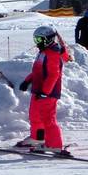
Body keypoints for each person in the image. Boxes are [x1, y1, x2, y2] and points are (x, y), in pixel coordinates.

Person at [17, 25, 71, 154]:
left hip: (48, 92)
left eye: (40, 40)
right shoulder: (43, 52)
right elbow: (38, 70)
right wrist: (27, 81)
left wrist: (45, 92)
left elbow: (53, 75)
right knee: (35, 116)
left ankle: (54, 145)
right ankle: (37, 138)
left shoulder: (52, 53)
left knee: (48, 119)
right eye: (36, 39)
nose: (37, 43)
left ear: (49, 39)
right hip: (38, 90)